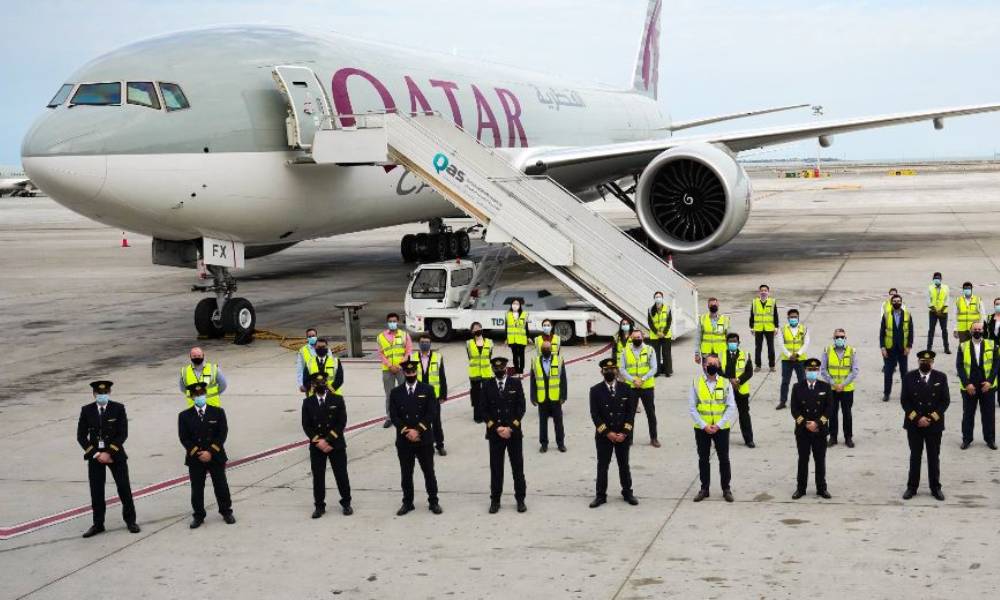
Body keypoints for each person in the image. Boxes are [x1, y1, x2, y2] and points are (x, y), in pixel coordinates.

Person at [77, 380, 139, 538]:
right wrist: (97, 455)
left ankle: (130, 521)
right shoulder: (86, 410)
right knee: (96, 491)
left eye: (104, 393)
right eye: (99, 393)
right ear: (94, 394)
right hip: (95, 456)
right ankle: (98, 524)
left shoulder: (118, 408)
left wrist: (109, 453)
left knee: (124, 488)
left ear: (109, 393)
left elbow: (122, 433)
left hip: (115, 455)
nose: (102, 396)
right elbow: (81, 436)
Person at [178, 381, 235, 528]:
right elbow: (184, 438)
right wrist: (198, 453)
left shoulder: (218, 412)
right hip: (196, 458)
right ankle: (198, 515)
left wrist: (210, 452)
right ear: (191, 397)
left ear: (205, 394)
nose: (199, 396)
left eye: (201, 394)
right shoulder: (184, 416)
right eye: (196, 395)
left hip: (215, 456)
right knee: (197, 488)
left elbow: (222, 434)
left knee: (221, 485)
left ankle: (226, 511)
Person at [388, 360, 441, 515]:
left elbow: (431, 413)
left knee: (429, 472)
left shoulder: (428, 389)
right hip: (404, 440)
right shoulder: (396, 392)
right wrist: (407, 431)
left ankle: (433, 502)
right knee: (406, 473)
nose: (410, 374)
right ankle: (407, 502)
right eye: (408, 372)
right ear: (404, 373)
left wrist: (417, 431)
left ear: (416, 372)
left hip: (424, 439)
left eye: (413, 372)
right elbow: (394, 415)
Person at [589, 358, 639, 508]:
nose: (610, 372)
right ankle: (600, 495)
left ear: (617, 371)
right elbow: (595, 415)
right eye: (606, 370)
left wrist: (624, 432)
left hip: (622, 435)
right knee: (602, 466)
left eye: (612, 370)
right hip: (605, 436)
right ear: (601, 372)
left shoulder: (626, 389)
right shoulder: (595, 390)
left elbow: (630, 413)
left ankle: (627, 492)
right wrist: (607, 433)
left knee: (624, 465)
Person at [301, 372, 352, 518]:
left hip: (336, 444)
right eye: (317, 384)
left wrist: (328, 440)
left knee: (341, 475)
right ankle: (319, 506)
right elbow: (306, 425)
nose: (320, 386)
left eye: (323, 383)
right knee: (318, 477)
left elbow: (341, 422)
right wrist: (319, 441)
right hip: (317, 446)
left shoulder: (337, 399)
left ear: (327, 384)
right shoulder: (307, 403)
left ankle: (346, 503)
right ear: (312, 386)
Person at [901, 350, 949, 501]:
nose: (926, 364)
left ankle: (935, 488)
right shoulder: (909, 377)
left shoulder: (941, 377)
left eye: (928, 362)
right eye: (923, 362)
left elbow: (944, 401)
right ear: (918, 362)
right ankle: (912, 487)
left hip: (933, 425)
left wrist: (930, 418)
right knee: (915, 456)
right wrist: (917, 419)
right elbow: (905, 401)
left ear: (932, 363)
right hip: (914, 425)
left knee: (934, 457)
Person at [482, 357, 527, 513]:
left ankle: (520, 499)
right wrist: (497, 428)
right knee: (496, 469)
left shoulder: (515, 383)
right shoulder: (487, 385)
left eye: (502, 368)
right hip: (495, 435)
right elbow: (484, 410)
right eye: (496, 369)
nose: (500, 371)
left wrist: (510, 428)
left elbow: (521, 408)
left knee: (517, 468)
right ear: (493, 370)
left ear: (507, 368)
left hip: (513, 434)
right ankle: (495, 500)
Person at [690, 354, 737, 503]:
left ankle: (726, 489)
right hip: (702, 428)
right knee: (703, 459)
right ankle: (704, 488)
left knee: (724, 458)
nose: (711, 366)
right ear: (704, 366)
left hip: (721, 428)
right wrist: (704, 425)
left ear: (719, 365)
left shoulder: (725, 383)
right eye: (709, 363)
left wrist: (718, 425)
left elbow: (731, 406)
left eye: (714, 363)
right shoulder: (696, 383)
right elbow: (692, 407)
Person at [790, 358, 833, 499]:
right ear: (805, 370)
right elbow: (794, 409)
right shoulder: (797, 387)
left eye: (815, 370)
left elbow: (829, 409)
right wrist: (806, 424)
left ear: (819, 371)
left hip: (820, 431)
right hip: (803, 431)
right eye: (810, 370)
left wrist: (818, 424)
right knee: (803, 460)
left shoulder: (825, 387)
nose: (812, 372)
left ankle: (822, 488)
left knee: (820, 460)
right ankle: (800, 489)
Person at [956, 321, 997, 450]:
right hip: (969, 387)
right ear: (970, 330)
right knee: (968, 414)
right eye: (975, 329)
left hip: (987, 386)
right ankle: (967, 439)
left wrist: (990, 382)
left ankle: (990, 439)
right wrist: (967, 384)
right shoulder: (963, 346)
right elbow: (960, 366)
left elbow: (996, 365)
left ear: (983, 330)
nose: (977, 331)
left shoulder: (993, 345)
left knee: (989, 414)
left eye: (980, 329)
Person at [619, 329, 660, 447]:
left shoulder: (650, 350)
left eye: (639, 337)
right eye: (634, 337)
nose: (637, 339)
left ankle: (654, 438)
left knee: (650, 413)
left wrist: (642, 379)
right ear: (631, 338)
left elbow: (654, 368)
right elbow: (622, 369)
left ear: (643, 337)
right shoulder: (625, 351)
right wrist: (633, 380)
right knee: (629, 415)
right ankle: (629, 438)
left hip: (646, 386)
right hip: (631, 387)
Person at [820, 328, 860, 448]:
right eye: (837, 337)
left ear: (845, 338)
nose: (839, 339)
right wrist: (834, 384)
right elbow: (823, 370)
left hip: (846, 389)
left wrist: (843, 384)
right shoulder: (827, 351)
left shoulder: (851, 351)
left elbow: (855, 370)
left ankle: (848, 437)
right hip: (831, 388)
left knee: (847, 413)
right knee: (832, 413)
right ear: (834, 338)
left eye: (842, 337)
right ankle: (833, 437)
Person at [411, 333, 448, 456]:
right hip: (418, 395)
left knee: (436, 422)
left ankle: (440, 445)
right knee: (420, 422)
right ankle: (422, 445)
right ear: (419, 344)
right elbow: (409, 377)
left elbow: (442, 376)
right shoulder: (413, 357)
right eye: (422, 342)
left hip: (434, 396)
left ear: (430, 343)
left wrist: (443, 394)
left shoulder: (438, 357)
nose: (424, 344)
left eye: (427, 342)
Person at [530, 340, 568, 452]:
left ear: (551, 349)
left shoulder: (559, 360)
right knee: (543, 423)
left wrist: (563, 396)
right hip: (542, 398)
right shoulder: (535, 361)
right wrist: (533, 397)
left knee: (558, 423)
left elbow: (563, 380)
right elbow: (533, 381)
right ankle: (544, 444)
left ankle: (560, 443)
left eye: (548, 348)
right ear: (541, 350)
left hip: (555, 398)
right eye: (544, 348)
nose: (546, 350)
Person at [378, 313, 412, 428]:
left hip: (401, 368)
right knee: (389, 394)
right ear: (387, 323)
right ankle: (389, 417)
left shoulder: (405, 335)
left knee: (404, 393)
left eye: (394, 321)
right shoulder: (381, 337)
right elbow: (381, 353)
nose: (392, 323)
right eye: (390, 321)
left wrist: (398, 365)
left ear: (398, 322)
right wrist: (389, 365)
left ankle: (405, 415)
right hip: (387, 370)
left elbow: (408, 352)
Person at [721, 333, 755, 447]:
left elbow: (749, 372)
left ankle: (749, 439)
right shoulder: (720, 355)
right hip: (726, 389)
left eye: (734, 341)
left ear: (738, 343)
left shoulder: (745, 355)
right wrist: (730, 381)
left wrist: (738, 380)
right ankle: (720, 439)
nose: (732, 343)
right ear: (726, 343)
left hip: (741, 389)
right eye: (730, 341)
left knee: (744, 414)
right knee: (722, 414)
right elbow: (718, 372)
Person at [879, 294, 914, 402]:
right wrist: (883, 347)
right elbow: (881, 333)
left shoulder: (907, 315)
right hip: (889, 349)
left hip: (902, 349)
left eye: (899, 301)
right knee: (888, 372)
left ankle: (906, 394)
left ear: (901, 303)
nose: (897, 303)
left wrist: (909, 346)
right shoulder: (886, 315)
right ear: (891, 303)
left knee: (904, 373)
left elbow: (911, 332)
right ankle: (886, 393)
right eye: (894, 301)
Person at [776, 308, 809, 410]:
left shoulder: (804, 329)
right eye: (791, 317)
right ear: (788, 318)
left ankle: (803, 401)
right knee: (785, 381)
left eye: (795, 317)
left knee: (802, 381)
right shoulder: (782, 329)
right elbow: (781, 344)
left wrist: (798, 354)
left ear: (798, 317)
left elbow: (806, 343)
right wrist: (789, 354)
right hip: (787, 360)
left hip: (800, 359)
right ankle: (783, 401)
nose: (793, 318)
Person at [466, 322, 493, 423]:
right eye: (475, 328)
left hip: (487, 373)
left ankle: (487, 415)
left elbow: (489, 356)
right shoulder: (469, 343)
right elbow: (469, 356)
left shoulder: (490, 342)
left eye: (479, 327)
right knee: (476, 396)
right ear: (472, 331)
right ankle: (477, 416)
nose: (478, 329)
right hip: (475, 373)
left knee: (488, 395)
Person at [750, 284, 779, 372]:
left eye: (765, 291)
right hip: (758, 328)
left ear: (768, 292)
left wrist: (776, 327)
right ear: (759, 292)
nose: (763, 292)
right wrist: (751, 327)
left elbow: (775, 315)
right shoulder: (755, 302)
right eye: (762, 291)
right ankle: (758, 365)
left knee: (771, 347)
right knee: (758, 348)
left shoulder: (772, 302)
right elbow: (752, 315)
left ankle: (772, 365)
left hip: (769, 328)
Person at [695, 297, 729, 363]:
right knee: (709, 373)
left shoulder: (724, 320)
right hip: (707, 354)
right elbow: (698, 338)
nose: (713, 306)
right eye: (711, 305)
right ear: (708, 306)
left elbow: (730, 337)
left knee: (721, 372)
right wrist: (697, 353)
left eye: (715, 305)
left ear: (718, 305)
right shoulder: (703, 319)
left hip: (721, 354)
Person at [647, 291, 673, 377]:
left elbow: (669, 321)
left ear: (662, 298)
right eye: (656, 297)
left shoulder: (667, 308)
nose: (658, 298)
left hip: (666, 335)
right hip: (655, 335)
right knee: (655, 354)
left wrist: (664, 333)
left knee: (666, 353)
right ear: (654, 299)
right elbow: (650, 323)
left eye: (660, 297)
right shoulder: (650, 310)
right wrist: (657, 332)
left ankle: (667, 371)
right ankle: (656, 371)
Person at [927, 274, 950, 354]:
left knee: (944, 330)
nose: (937, 279)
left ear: (941, 279)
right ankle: (929, 348)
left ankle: (946, 348)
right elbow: (928, 300)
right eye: (935, 278)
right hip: (933, 312)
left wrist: (941, 310)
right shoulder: (930, 288)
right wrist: (935, 310)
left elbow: (947, 299)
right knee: (931, 330)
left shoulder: (946, 288)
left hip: (943, 312)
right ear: (933, 279)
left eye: (938, 278)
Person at [506, 298, 528, 374]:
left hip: (522, 339)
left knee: (522, 356)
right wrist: (506, 338)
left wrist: (528, 337)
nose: (515, 305)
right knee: (515, 356)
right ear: (511, 305)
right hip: (512, 339)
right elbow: (506, 327)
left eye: (517, 304)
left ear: (520, 305)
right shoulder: (508, 314)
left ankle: (521, 371)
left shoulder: (524, 314)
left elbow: (526, 327)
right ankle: (517, 370)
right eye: (513, 304)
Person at [296, 327, 319, 393]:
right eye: (309, 336)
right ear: (307, 338)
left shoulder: (324, 348)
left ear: (316, 336)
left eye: (313, 336)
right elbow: (300, 369)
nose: (312, 338)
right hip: (310, 382)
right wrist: (301, 384)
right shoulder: (303, 350)